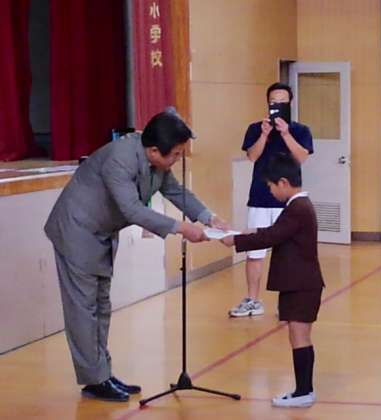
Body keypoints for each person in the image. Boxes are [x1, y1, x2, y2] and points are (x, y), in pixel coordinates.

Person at [44, 111, 227, 402]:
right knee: (84, 309)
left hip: (101, 233)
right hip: (77, 230)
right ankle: (94, 380)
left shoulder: (155, 161)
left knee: (101, 306)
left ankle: (101, 374)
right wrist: (181, 228)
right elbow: (131, 209)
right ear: (154, 150)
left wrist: (209, 218)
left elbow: (175, 191)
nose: (177, 160)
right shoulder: (120, 159)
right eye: (175, 154)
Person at [221, 153, 324, 408]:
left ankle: (304, 391)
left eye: (271, 186)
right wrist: (251, 232)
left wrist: (236, 240)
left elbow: (272, 237)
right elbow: (276, 232)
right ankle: (303, 389)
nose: (270, 191)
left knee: (300, 337)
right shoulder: (298, 206)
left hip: (301, 285)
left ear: (283, 182)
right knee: (298, 336)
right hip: (298, 284)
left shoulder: (298, 208)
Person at [229, 82, 313, 317]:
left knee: (288, 253)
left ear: (290, 103)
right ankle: (253, 300)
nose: (278, 105)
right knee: (255, 252)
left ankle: (287, 302)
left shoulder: (301, 130)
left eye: (282, 102)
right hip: (260, 197)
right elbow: (252, 156)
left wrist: (285, 133)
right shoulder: (256, 128)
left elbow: (302, 157)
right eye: (273, 102)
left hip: (288, 201)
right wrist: (265, 135)